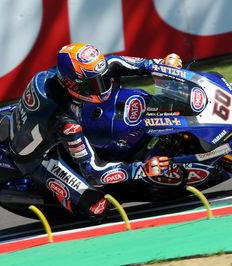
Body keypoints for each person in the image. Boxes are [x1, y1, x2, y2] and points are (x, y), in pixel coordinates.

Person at [9, 43, 183, 221]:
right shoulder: (65, 121)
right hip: (36, 158)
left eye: (103, 78)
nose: (103, 85)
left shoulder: (66, 77)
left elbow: (117, 62)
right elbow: (95, 172)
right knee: (98, 207)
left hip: (36, 121)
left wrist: (161, 65)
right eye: (94, 84)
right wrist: (141, 169)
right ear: (73, 85)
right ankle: (64, 197)